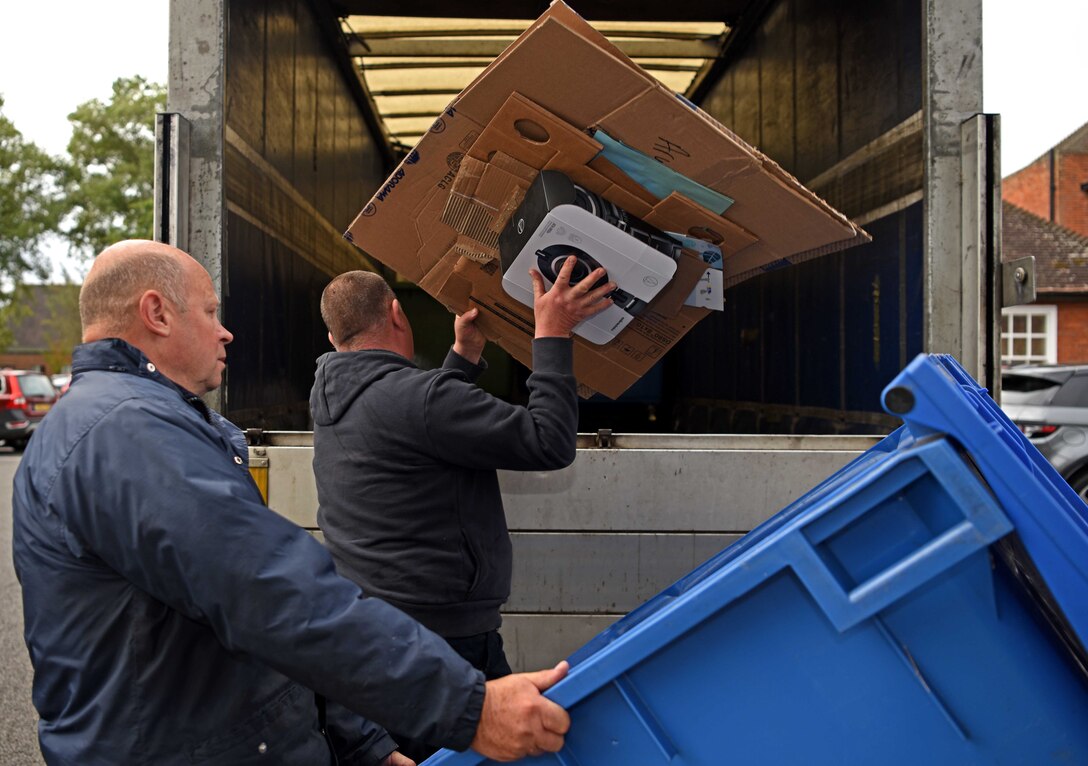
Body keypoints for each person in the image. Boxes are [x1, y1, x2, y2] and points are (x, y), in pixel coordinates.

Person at [11, 239, 572, 766]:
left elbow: (257, 615)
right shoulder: (127, 433)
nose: (226, 332)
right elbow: (267, 592)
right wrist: (467, 708)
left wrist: (359, 739)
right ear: (157, 313)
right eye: (210, 312)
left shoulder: (136, 422)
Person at [310, 258, 615, 761]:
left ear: (331, 338)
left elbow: (419, 427)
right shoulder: (419, 399)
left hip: (380, 639)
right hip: (445, 648)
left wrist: (463, 356)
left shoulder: (334, 400)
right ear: (397, 314)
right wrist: (553, 334)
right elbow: (549, 441)